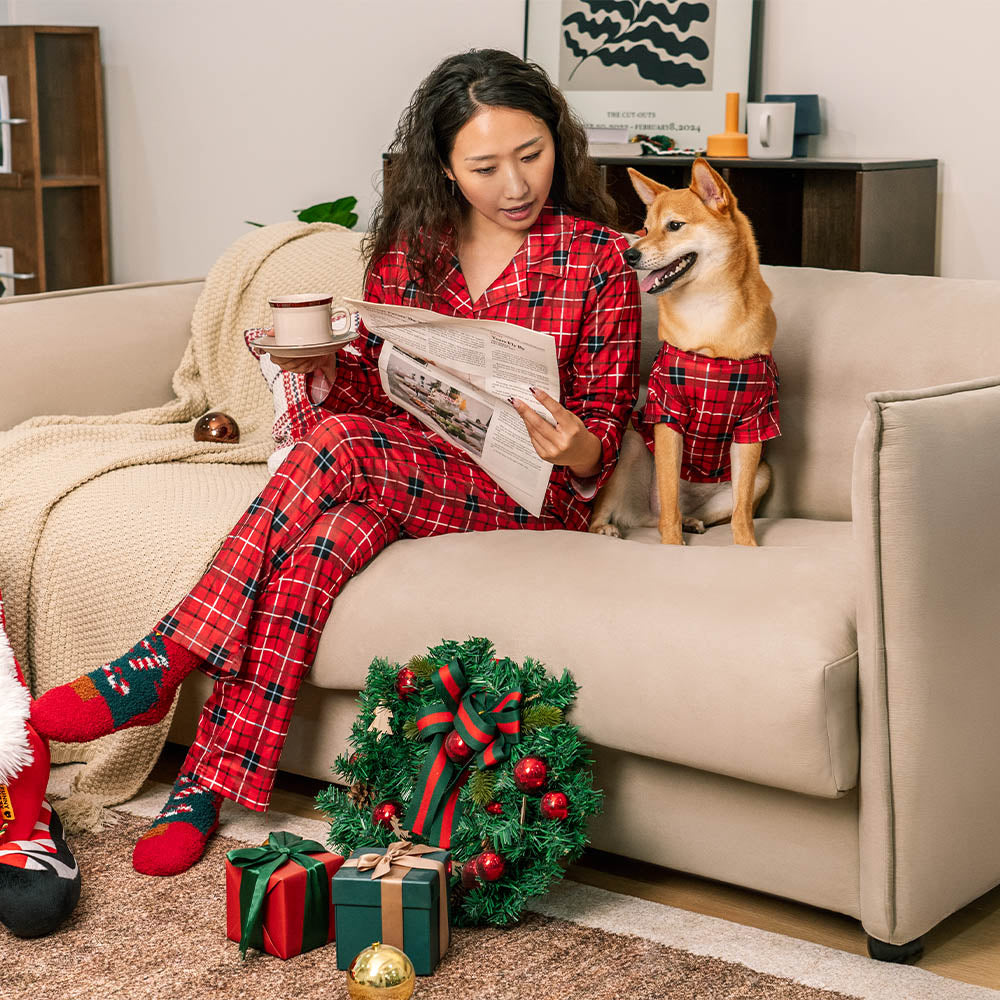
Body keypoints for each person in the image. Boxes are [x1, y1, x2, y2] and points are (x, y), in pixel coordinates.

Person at [29, 48, 640, 876]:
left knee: (339, 446)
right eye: (486, 166)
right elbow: (382, 396)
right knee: (316, 552)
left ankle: (163, 656)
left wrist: (579, 446)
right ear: (447, 170)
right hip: (407, 467)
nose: (516, 185)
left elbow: (599, 438)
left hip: (528, 490)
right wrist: (329, 369)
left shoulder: (599, 259)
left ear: (558, 143)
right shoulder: (410, 252)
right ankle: (204, 786)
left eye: (532, 155)